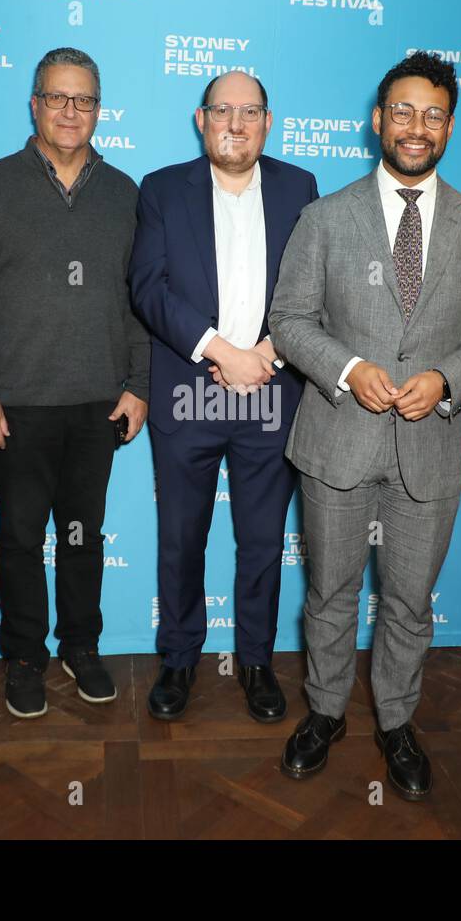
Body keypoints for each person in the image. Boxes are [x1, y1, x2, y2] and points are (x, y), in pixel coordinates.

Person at [268, 51, 461, 801]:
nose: (416, 127)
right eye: (402, 111)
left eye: (432, 114)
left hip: (431, 447)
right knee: (330, 591)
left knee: (410, 602)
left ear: (449, 125)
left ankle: (397, 721)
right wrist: (347, 370)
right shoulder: (324, 217)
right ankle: (323, 712)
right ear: (378, 121)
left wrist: (446, 379)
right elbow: (288, 322)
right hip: (337, 439)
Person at [0, 48, 149, 720]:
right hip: (15, 404)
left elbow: (140, 299)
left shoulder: (125, 193)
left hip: (97, 401)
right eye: (57, 98)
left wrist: (139, 382)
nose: (71, 111)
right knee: (17, 537)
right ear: (34, 104)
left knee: (81, 537)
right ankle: (25, 656)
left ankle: (82, 646)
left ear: (99, 110)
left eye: (84, 100)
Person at [129, 71, 318, 723]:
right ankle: (179, 657)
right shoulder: (160, 190)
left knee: (262, 540)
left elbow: (312, 291)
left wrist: (266, 355)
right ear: (200, 119)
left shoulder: (300, 189)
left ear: (268, 122)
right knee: (182, 537)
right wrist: (221, 352)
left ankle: (258, 662)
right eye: (221, 111)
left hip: (271, 392)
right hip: (189, 392)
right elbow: (148, 288)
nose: (234, 123)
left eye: (249, 111)